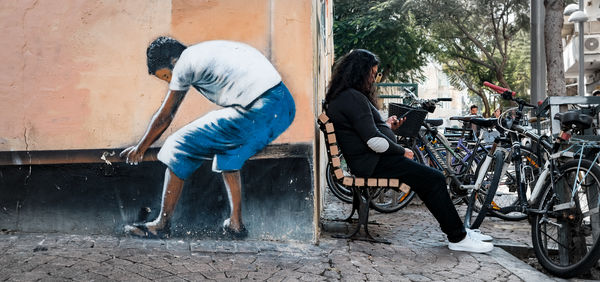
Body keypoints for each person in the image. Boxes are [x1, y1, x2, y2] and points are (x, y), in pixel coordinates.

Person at [120, 37, 296, 239]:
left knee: (178, 144)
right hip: (283, 106)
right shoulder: (207, 51)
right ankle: (236, 224)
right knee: (228, 144)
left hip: (259, 110)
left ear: (172, 61)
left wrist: (140, 148)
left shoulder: (185, 62)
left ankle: (161, 225)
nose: (171, 81)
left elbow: (165, 116)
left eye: (167, 76)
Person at [324, 49, 493, 253]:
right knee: (435, 178)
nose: (374, 79)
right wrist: (401, 151)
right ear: (361, 72)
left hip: (370, 162)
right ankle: (458, 237)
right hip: (373, 163)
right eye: (373, 73)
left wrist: (387, 126)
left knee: (428, 180)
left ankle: (458, 230)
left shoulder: (346, 97)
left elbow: (368, 132)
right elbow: (373, 141)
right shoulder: (353, 98)